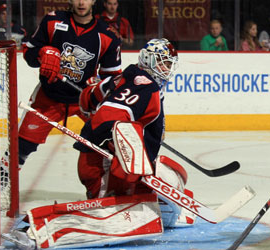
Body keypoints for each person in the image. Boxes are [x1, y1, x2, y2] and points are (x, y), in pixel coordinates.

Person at [75, 38, 195, 226]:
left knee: (170, 174)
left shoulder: (126, 76)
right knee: (166, 198)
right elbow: (108, 116)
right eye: (164, 63)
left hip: (100, 161)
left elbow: (86, 100)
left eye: (169, 65)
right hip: (106, 166)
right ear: (149, 60)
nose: (167, 69)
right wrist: (118, 146)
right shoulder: (146, 86)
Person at [18, 0, 122, 168]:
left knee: (112, 144)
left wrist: (99, 85)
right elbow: (29, 54)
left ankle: (109, 188)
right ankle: (2, 185)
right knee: (21, 147)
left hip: (85, 101)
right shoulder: (53, 21)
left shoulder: (107, 35)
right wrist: (43, 53)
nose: (81, 2)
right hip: (48, 97)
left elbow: (112, 78)